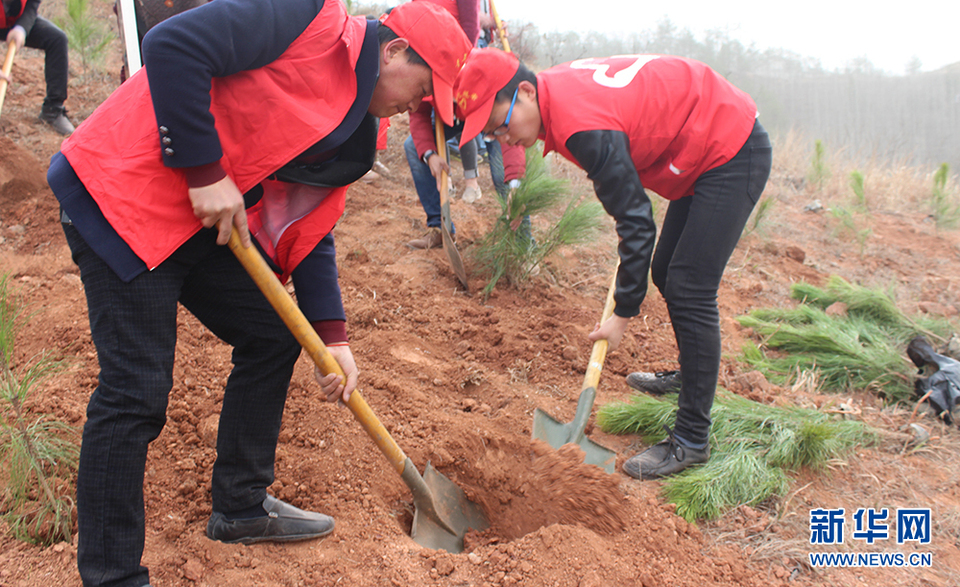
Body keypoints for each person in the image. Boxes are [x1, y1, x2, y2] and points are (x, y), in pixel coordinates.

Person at [46, 1, 472, 586]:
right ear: (395, 50)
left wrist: (333, 337)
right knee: (136, 392)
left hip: (192, 224)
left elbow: (314, 225)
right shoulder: (308, 19)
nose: (418, 106)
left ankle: (240, 507)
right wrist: (202, 169)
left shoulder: (356, 128)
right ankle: (112, 575)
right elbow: (172, 45)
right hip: (120, 195)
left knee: (273, 334)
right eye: (423, 89)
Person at [454, 48, 772, 479]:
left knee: (689, 286)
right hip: (700, 135)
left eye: (502, 126)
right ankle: (691, 374)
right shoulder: (554, 96)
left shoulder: (583, 127)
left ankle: (692, 438)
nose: (504, 140)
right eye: (492, 136)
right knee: (665, 273)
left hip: (727, 146)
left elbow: (637, 222)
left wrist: (622, 314)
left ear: (525, 92)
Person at [1, 0, 73, 134]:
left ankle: (53, 110)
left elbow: (32, 4)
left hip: (13, 21)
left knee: (57, 39)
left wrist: (21, 28)